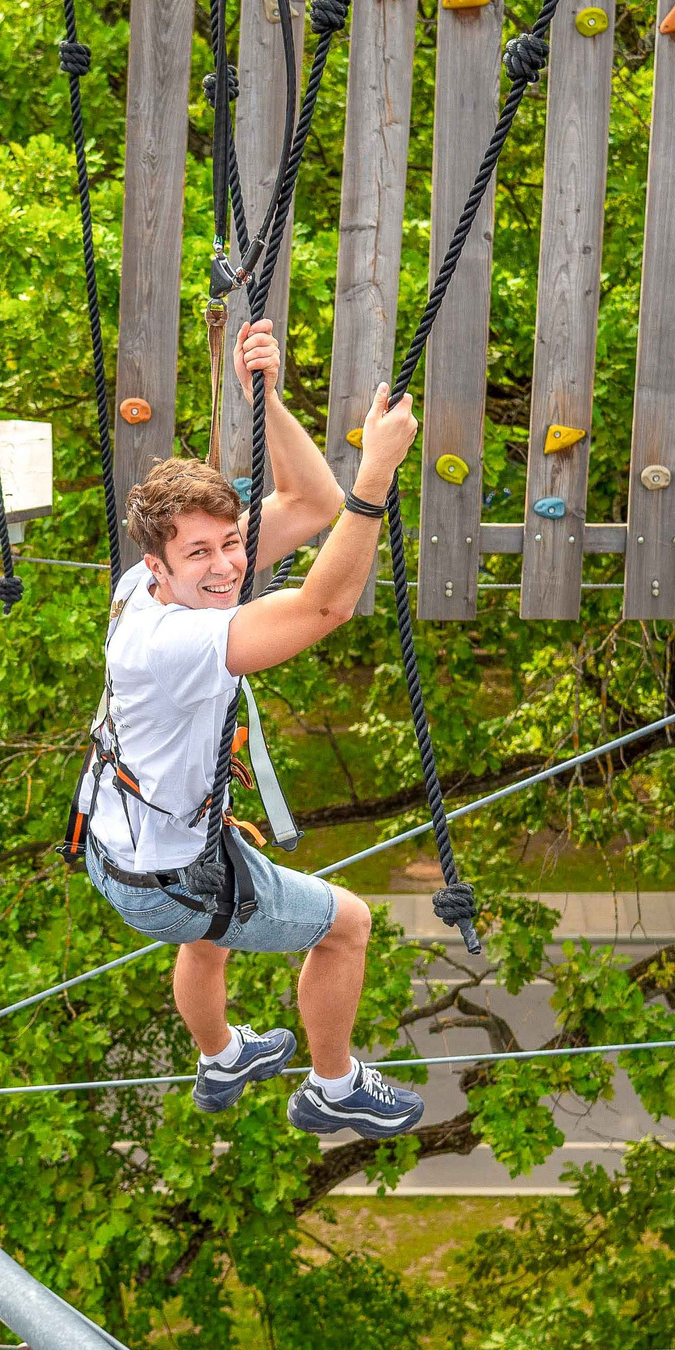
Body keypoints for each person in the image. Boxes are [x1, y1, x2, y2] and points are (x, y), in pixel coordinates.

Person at [75, 319, 426, 1139]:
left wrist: (261, 398)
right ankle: (334, 1086)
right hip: (166, 879)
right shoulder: (184, 638)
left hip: (126, 847)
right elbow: (326, 605)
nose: (228, 566)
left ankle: (221, 1052)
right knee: (348, 926)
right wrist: (377, 472)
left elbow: (311, 503)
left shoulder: (144, 587)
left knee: (210, 930)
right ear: (160, 563)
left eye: (232, 543)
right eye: (200, 553)